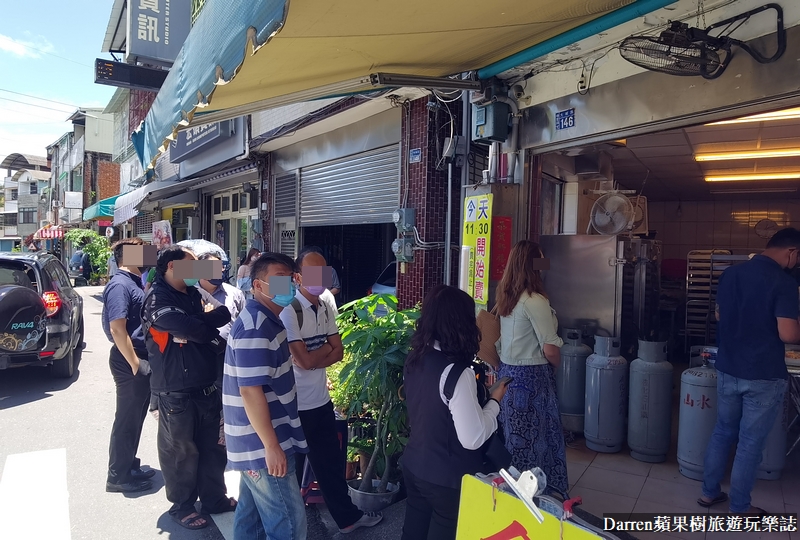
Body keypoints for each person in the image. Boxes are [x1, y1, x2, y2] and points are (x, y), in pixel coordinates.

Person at [280, 248, 383, 534]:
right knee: (292, 471)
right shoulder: (289, 309)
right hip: (293, 406)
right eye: (312, 273)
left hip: (321, 402)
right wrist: (321, 353)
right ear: (298, 277)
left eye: (323, 272)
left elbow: (338, 352)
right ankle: (291, 527)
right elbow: (305, 359)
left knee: (330, 465)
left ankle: (348, 519)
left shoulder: (326, 303)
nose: (320, 279)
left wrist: (316, 356)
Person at [698, 228, 799, 514]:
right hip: (763, 373)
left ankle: (708, 493)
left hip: (729, 368)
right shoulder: (783, 282)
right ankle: (740, 507)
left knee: (723, 431)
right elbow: (789, 334)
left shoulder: (731, 274)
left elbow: (720, 314)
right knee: (750, 442)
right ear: (792, 252)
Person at [401, 285, 507, 540]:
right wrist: (495, 401)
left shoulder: (415, 357)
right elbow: (472, 437)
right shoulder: (458, 373)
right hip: (447, 480)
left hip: (415, 467)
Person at [141, 245, 235, 530]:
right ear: (172, 267)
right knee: (181, 451)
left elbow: (224, 315)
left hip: (207, 384)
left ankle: (214, 498)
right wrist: (198, 329)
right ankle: (181, 506)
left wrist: (195, 327)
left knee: (212, 449)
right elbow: (178, 324)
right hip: (175, 390)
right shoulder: (157, 297)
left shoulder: (193, 294)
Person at [223, 253, 308, 540]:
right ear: (258, 285)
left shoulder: (264, 318)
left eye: (291, 278)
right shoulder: (257, 326)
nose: (288, 285)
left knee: (253, 520)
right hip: (263, 444)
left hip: (257, 441)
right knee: (289, 526)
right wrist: (271, 447)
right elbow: (249, 390)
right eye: (279, 279)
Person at [494, 240, 567, 496]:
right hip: (532, 377)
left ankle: (513, 491)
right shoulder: (535, 300)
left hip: (508, 376)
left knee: (514, 438)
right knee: (538, 440)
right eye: (541, 260)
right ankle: (537, 493)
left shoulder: (506, 296)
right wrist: (555, 368)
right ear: (532, 265)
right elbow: (550, 348)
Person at [102, 238, 155, 493]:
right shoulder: (119, 285)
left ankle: (129, 464)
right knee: (127, 419)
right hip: (129, 359)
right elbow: (117, 327)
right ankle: (118, 476)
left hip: (138, 357)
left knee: (136, 418)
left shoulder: (134, 282)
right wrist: (135, 363)